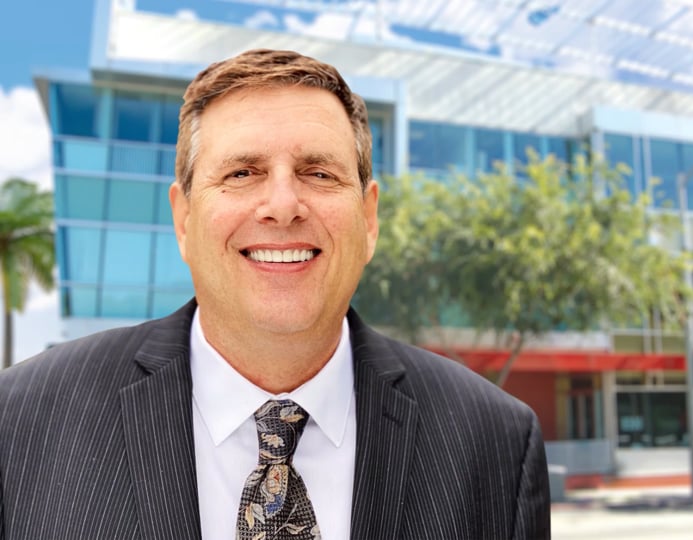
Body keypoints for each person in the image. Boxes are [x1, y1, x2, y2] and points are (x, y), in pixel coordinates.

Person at [0, 49, 550, 540]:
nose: (283, 205)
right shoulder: (18, 422)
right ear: (184, 220)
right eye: (242, 173)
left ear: (368, 219)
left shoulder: (496, 443)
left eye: (319, 173)